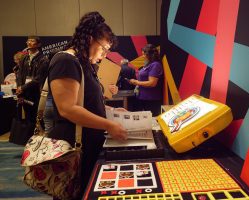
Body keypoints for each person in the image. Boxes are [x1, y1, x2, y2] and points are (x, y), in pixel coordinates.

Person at [48, 11, 127, 199]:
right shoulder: (66, 61)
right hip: (73, 149)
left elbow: (87, 103)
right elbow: (68, 109)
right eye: (104, 49)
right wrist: (109, 124)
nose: (104, 55)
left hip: (87, 145)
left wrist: (112, 110)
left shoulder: (84, 64)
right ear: (90, 39)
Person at [16, 36, 49, 125]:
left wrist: (23, 87)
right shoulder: (24, 58)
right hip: (24, 93)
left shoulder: (43, 59)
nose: (29, 42)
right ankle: (27, 137)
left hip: (36, 93)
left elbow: (39, 78)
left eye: (32, 40)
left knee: (37, 119)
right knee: (27, 119)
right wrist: (19, 87)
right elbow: (19, 74)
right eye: (28, 40)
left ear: (38, 44)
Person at [129, 44, 163, 116]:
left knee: (152, 121)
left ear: (149, 54)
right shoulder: (149, 64)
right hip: (144, 98)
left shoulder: (155, 65)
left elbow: (152, 83)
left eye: (144, 54)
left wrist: (137, 82)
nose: (143, 56)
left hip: (151, 99)